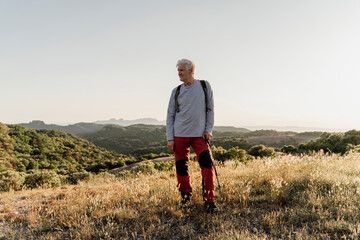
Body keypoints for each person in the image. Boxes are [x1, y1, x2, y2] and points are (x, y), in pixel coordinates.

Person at [166, 58, 217, 213]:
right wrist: (170, 138)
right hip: (180, 134)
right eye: (178, 71)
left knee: (207, 164)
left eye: (181, 70)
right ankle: (185, 197)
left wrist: (209, 130)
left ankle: (210, 200)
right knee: (181, 167)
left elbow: (210, 109)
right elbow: (170, 115)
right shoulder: (176, 91)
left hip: (199, 135)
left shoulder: (204, 86)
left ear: (191, 71)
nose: (179, 73)